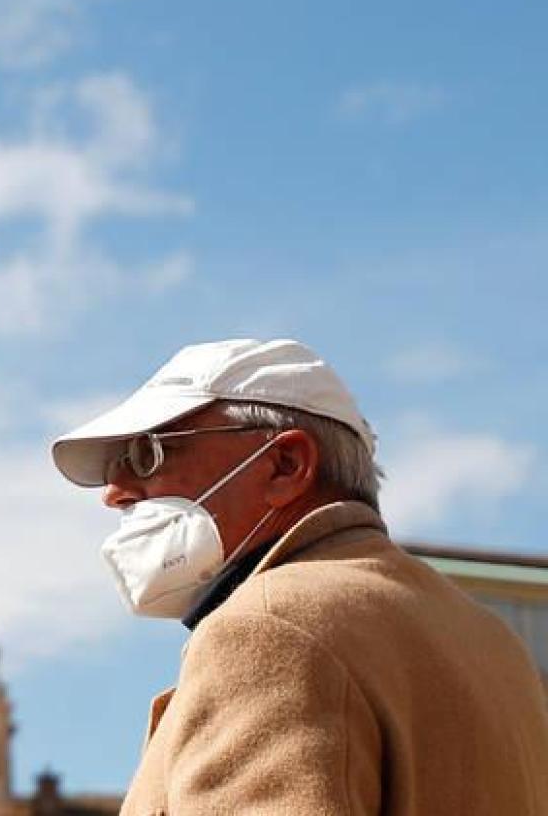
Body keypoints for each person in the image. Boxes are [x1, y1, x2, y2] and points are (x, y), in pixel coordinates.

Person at [52, 338, 548, 814]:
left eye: (148, 454)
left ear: (286, 465)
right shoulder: (492, 643)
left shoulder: (268, 629)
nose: (115, 492)